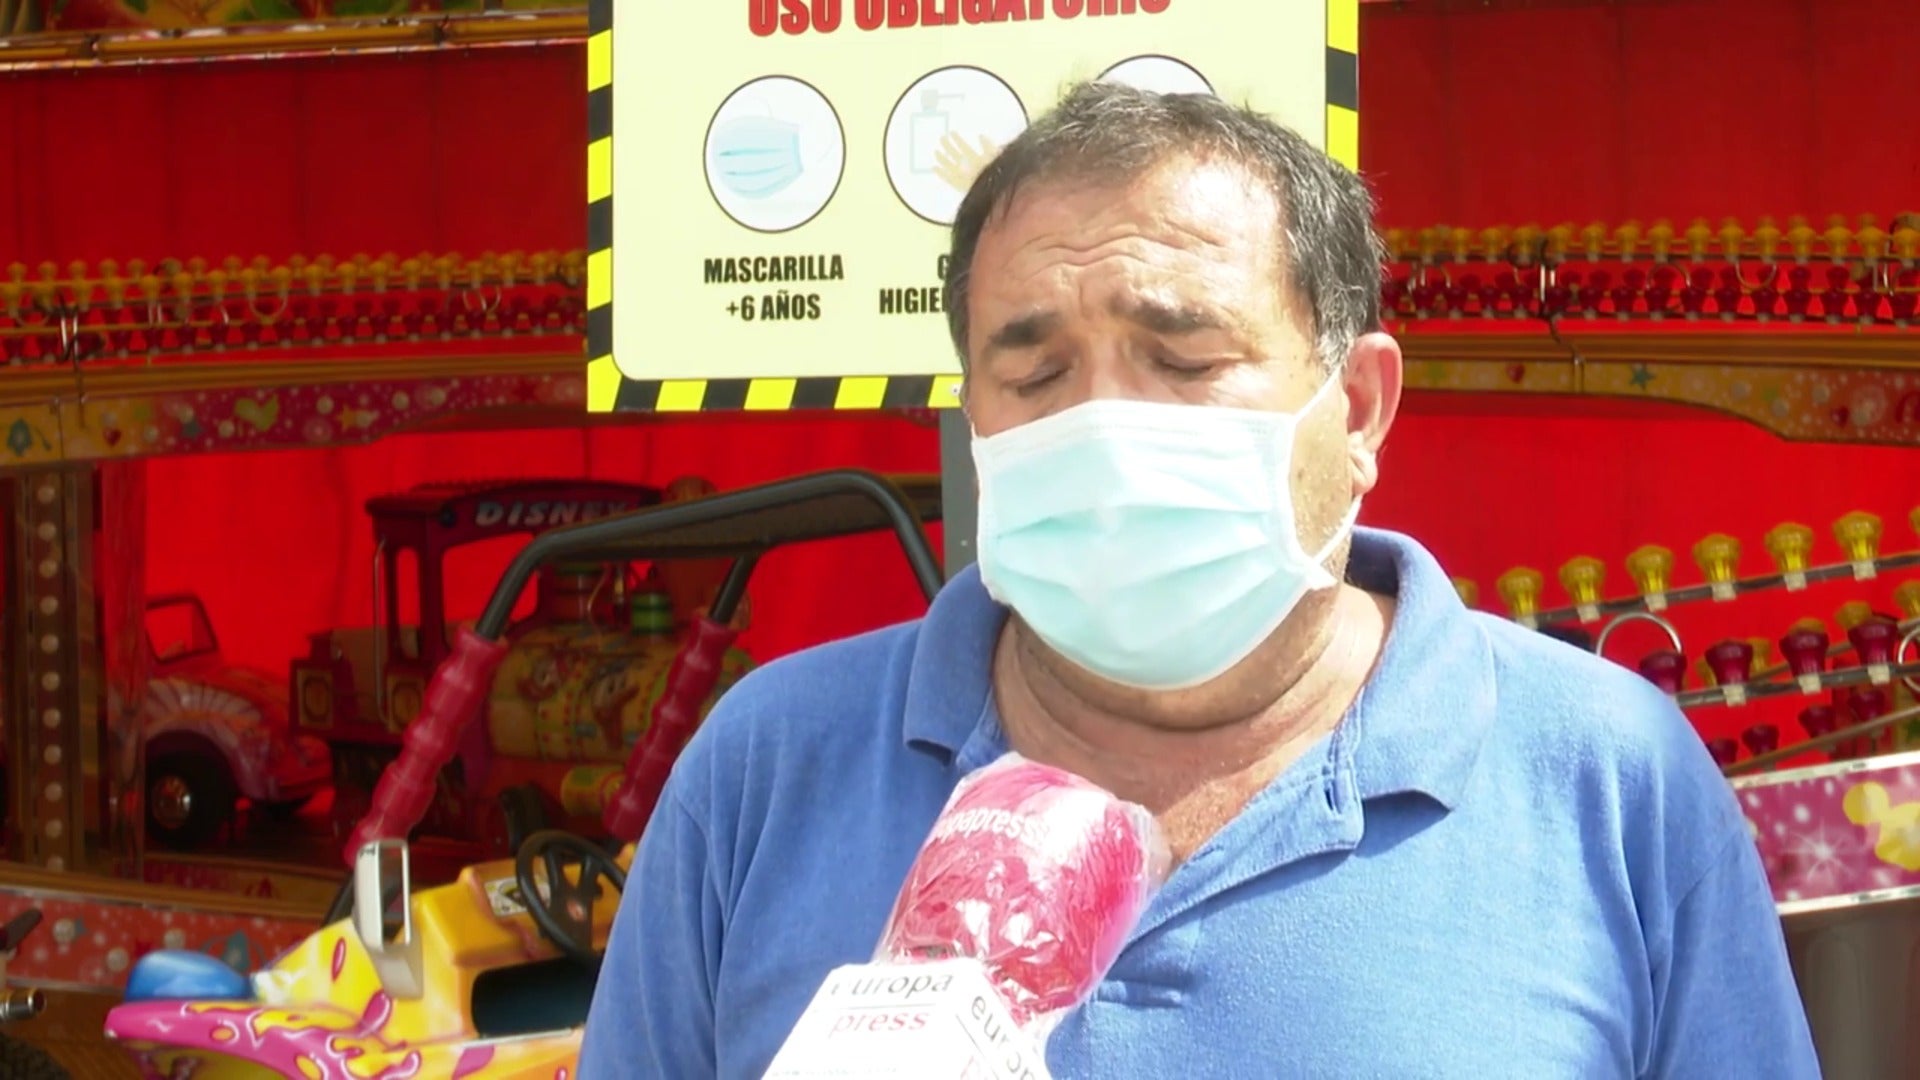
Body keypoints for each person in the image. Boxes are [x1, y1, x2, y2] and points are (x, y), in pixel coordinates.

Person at [580, 81, 1818, 1077]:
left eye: (1183, 359)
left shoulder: (1611, 779)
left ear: (1359, 407)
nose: (1105, 430)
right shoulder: (767, 771)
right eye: (1036, 374)